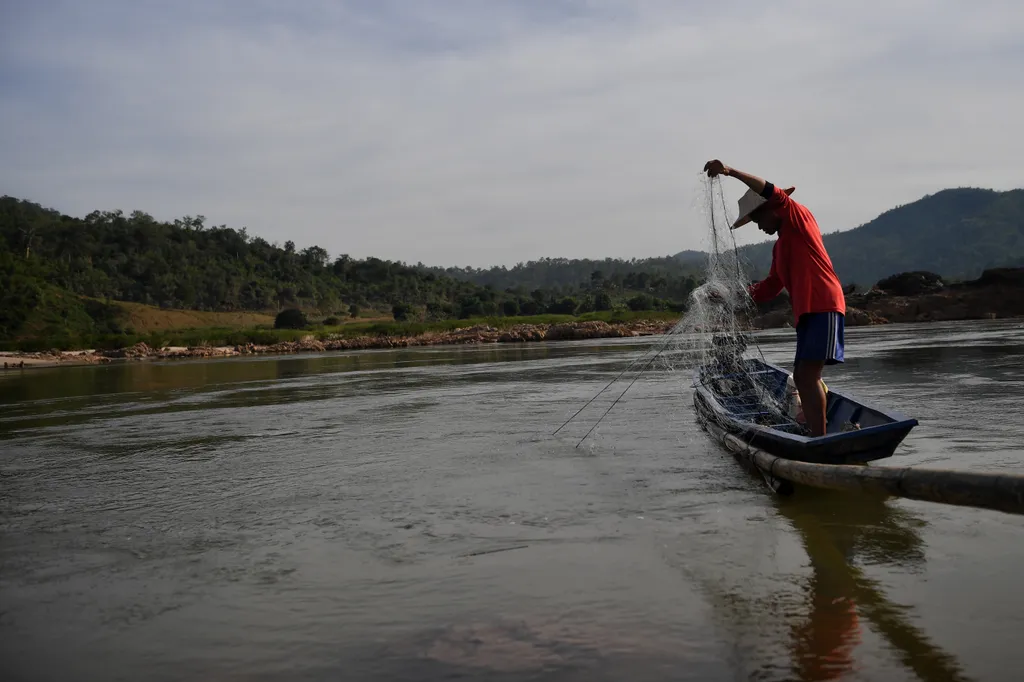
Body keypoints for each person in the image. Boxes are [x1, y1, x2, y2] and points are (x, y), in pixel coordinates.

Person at [703, 159, 846, 437]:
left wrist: (730, 172)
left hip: (824, 303)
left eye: (757, 219)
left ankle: (819, 439)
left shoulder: (797, 217)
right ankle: (818, 435)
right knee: (805, 376)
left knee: (806, 377)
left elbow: (771, 190)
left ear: (772, 209)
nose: (758, 227)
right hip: (806, 312)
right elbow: (768, 288)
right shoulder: (780, 247)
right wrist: (729, 297)